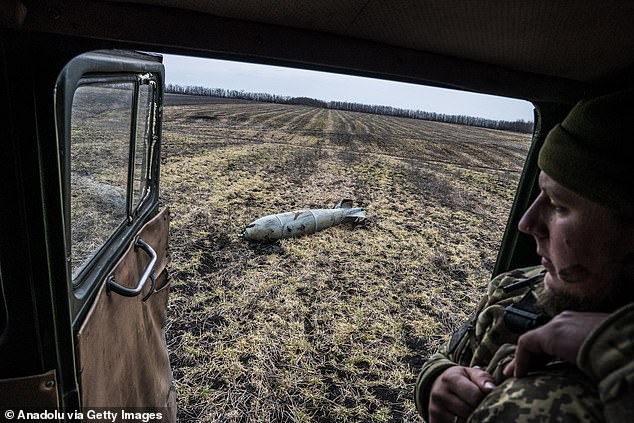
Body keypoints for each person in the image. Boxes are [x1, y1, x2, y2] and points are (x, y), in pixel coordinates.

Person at [414, 89, 634, 422]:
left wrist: (616, 345)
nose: (527, 222)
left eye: (559, 206)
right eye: (540, 192)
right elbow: (448, 357)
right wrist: (437, 381)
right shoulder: (514, 289)